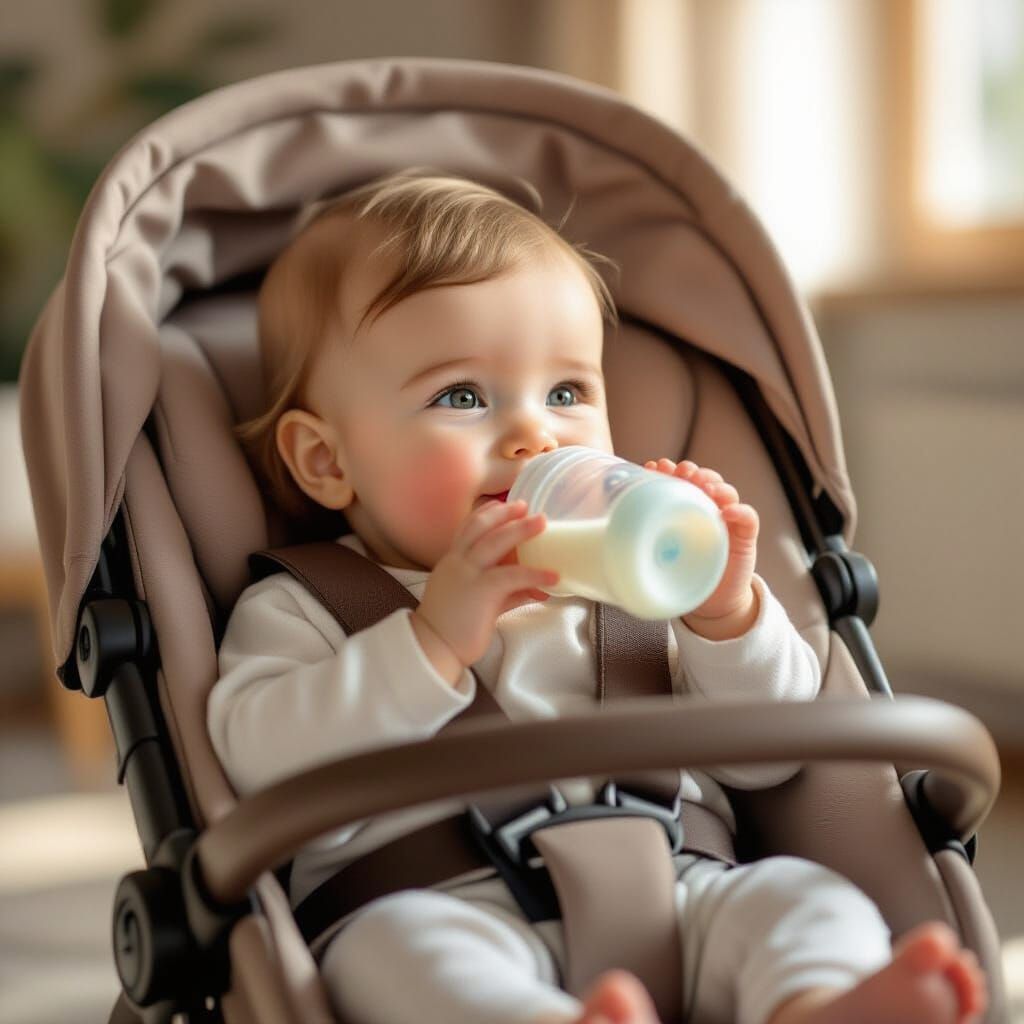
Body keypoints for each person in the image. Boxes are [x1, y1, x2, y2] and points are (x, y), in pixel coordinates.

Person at [208, 172, 987, 1024]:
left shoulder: (638, 585)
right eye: (462, 397)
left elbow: (771, 753)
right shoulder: (306, 604)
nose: (535, 434)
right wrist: (432, 639)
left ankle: (817, 1006)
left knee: (801, 898)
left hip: (683, 886)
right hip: (440, 897)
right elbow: (259, 768)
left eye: (569, 392)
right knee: (393, 961)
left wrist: (724, 613)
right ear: (326, 462)